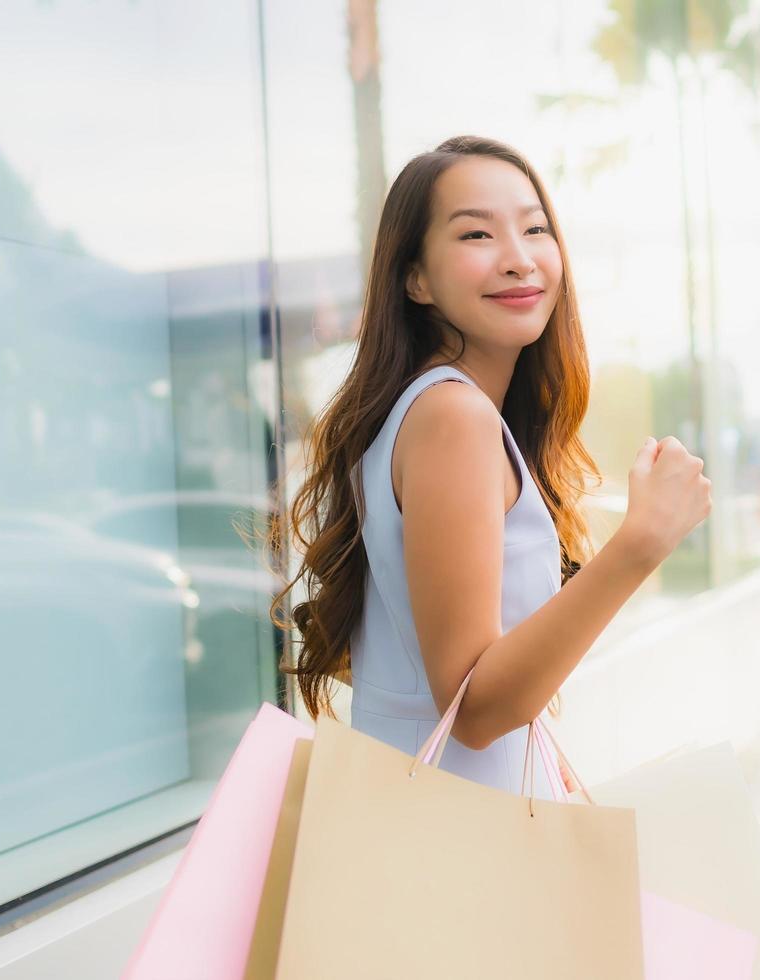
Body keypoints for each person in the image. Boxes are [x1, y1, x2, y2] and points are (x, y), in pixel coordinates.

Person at [270, 134, 711, 800]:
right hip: (458, 854)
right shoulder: (455, 419)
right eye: (477, 235)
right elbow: (471, 709)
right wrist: (641, 544)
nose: (519, 259)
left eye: (535, 228)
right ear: (415, 278)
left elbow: (417, 675)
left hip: (435, 829)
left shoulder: (425, 413)